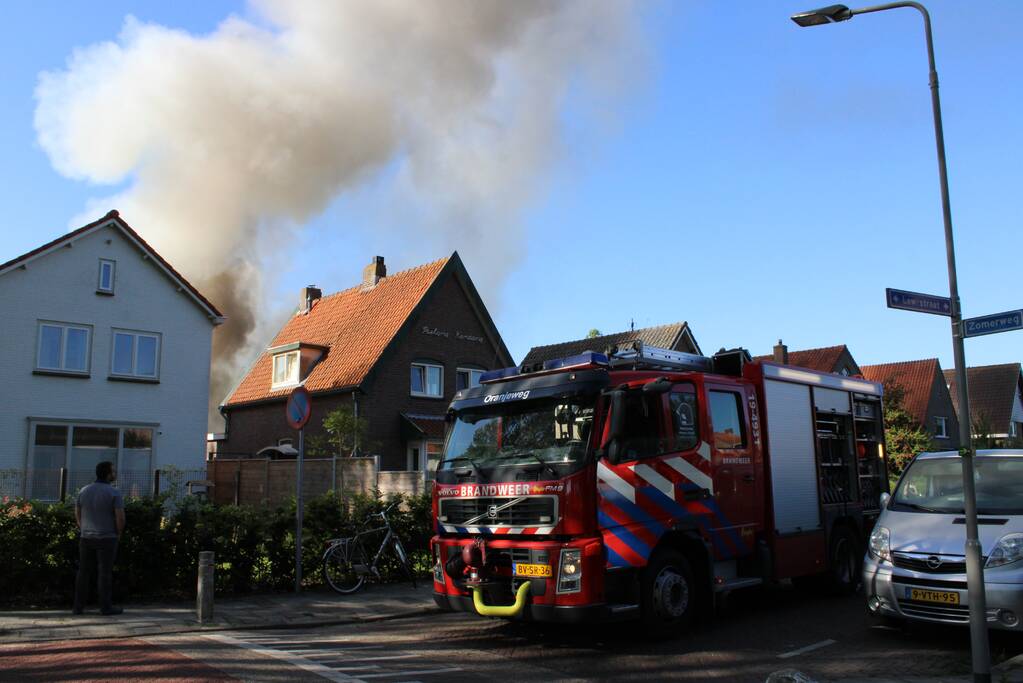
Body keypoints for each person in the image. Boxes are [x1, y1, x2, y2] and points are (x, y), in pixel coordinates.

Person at [72, 461, 125, 615]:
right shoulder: (114, 493)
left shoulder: (84, 490)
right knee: (105, 573)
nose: (115, 474)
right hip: (107, 537)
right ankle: (105, 607)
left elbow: (77, 513)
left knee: (83, 572)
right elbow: (120, 518)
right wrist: (119, 533)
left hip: (86, 536)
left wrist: (83, 528)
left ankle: (78, 606)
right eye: (113, 471)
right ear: (108, 474)